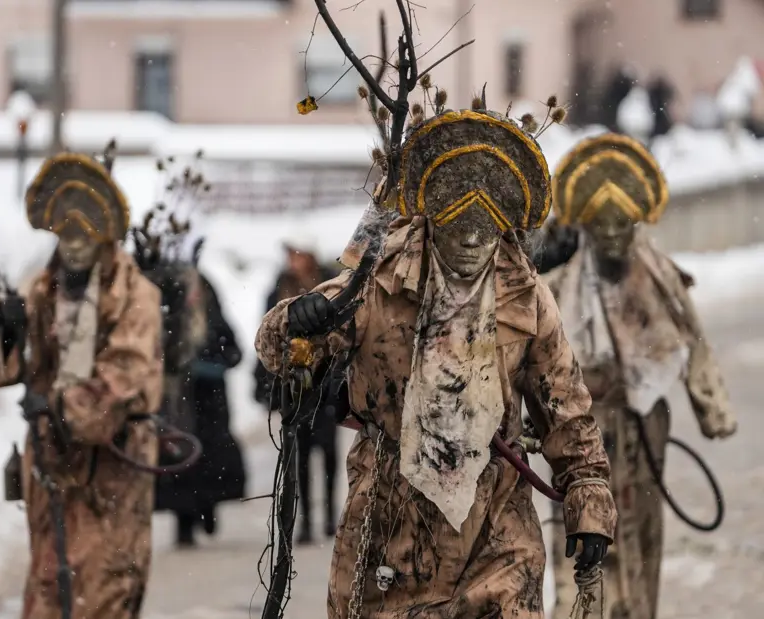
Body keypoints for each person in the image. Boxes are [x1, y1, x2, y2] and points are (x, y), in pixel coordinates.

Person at [255, 106, 617, 618]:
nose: (470, 239)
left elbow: (565, 406)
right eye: (457, 225)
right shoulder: (377, 282)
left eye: (483, 227)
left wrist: (589, 498)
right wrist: (296, 322)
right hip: (391, 530)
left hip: (495, 529)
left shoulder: (528, 297)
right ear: (430, 213)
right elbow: (281, 350)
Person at [546, 133, 737, 619]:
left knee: (643, 538)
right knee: (585, 543)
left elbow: (691, 337)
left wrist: (711, 406)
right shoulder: (563, 284)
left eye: (622, 227)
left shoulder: (658, 274)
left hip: (645, 428)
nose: (613, 237)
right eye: (602, 228)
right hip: (584, 433)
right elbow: (536, 355)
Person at [0, 153, 164, 619]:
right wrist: (8, 331)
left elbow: (122, 377)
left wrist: (61, 406)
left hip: (112, 471)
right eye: (66, 236)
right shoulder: (44, 291)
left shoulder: (136, 296)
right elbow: (8, 372)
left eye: (84, 236)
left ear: (104, 235)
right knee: (49, 587)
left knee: (105, 589)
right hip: (51, 470)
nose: (75, 247)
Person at [253, 235, 342, 544]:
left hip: (325, 384)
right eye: (290, 254)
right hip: (294, 387)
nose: (293, 260)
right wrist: (268, 384)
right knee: (299, 457)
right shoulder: (279, 288)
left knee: (329, 455)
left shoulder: (331, 284)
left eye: (298, 253)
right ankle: (303, 521)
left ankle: (330, 516)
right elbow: (267, 333)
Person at [165, 243, 247, 547]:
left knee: (210, 459)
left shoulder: (212, 309)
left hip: (210, 399)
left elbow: (231, 348)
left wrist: (211, 364)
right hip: (180, 399)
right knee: (180, 456)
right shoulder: (169, 308)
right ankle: (183, 522)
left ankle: (206, 508)